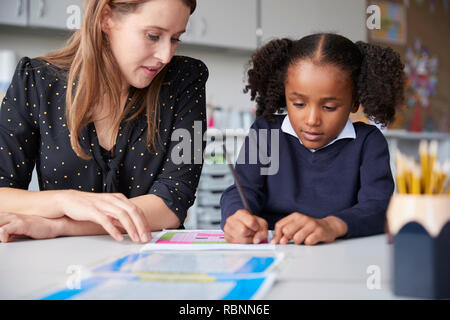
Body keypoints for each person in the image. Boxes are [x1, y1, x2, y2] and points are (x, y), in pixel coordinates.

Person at [0, 0, 208, 243]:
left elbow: (173, 203)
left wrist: (59, 225)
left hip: (152, 263)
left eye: (175, 39)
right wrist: (64, 201)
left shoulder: (187, 80)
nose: (165, 56)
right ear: (106, 18)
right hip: (60, 264)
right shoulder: (35, 80)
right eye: (153, 36)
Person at [221, 33, 405, 245]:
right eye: (299, 104)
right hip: (272, 249)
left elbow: (379, 207)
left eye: (329, 107)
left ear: (354, 103)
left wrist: (331, 225)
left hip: (340, 255)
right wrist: (237, 217)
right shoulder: (265, 131)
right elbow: (242, 190)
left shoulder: (368, 142)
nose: (312, 120)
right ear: (285, 94)